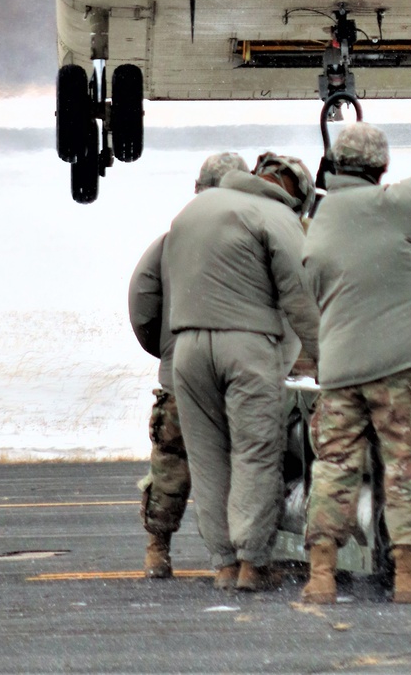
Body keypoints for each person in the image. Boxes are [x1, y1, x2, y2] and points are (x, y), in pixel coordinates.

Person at [300, 110, 411, 605]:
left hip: (339, 372)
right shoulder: (392, 206)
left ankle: (322, 575)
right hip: (397, 367)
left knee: (333, 466)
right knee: (406, 467)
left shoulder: (321, 218)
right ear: (379, 168)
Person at [169, 151, 319, 592]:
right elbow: (299, 299)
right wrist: (328, 362)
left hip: (188, 349)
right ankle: (252, 563)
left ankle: (222, 564)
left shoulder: (193, 211)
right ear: (297, 195)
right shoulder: (275, 216)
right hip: (247, 345)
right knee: (255, 453)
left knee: (207, 459)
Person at [128, 151, 250, 579]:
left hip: (180, 369)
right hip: (239, 370)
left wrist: (165, 349)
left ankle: (157, 549)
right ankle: (243, 555)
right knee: (242, 462)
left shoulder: (171, 240)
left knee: (170, 463)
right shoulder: (254, 235)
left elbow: (142, 303)